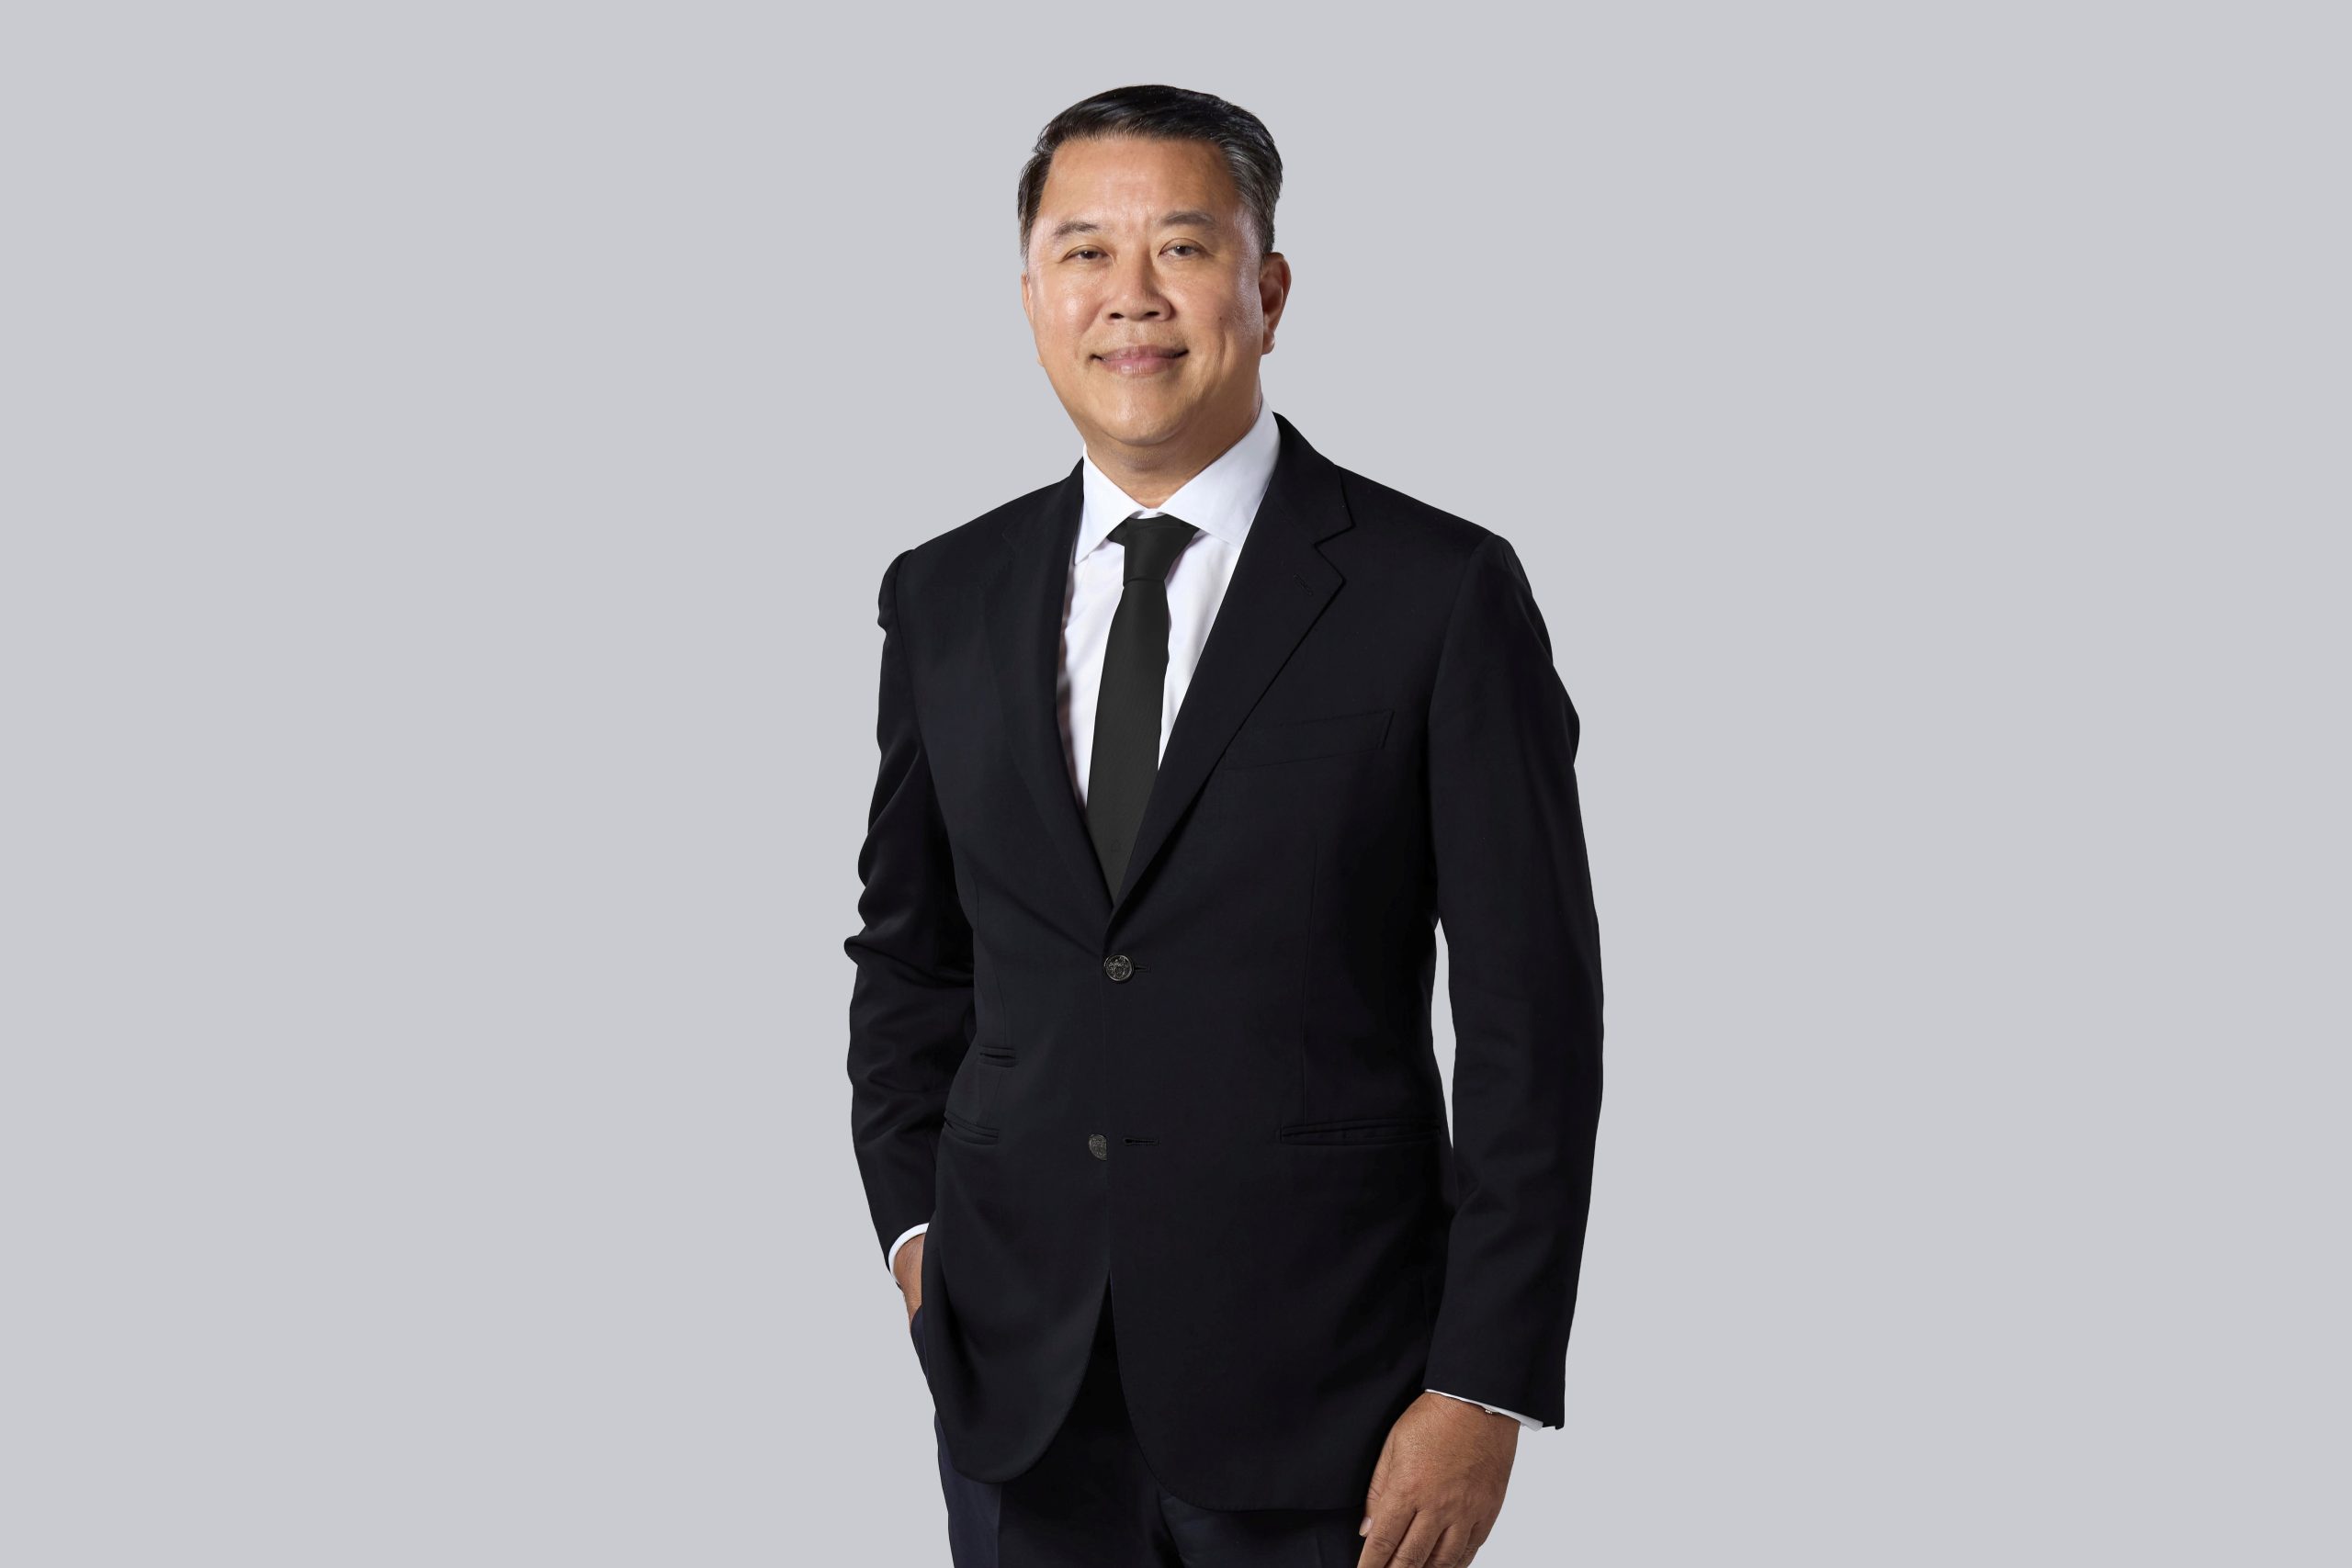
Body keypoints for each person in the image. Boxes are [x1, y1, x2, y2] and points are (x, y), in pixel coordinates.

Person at [844, 83, 1604, 1567]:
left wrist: (1484, 1381)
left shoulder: (1437, 592)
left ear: (1268, 290)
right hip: (1017, 1389)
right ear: (1030, 295)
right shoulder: (943, 593)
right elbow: (911, 955)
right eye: (1083, 253)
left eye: (1183, 248)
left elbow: (1535, 1019)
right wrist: (917, 1235)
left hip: (1335, 1391)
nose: (1130, 297)